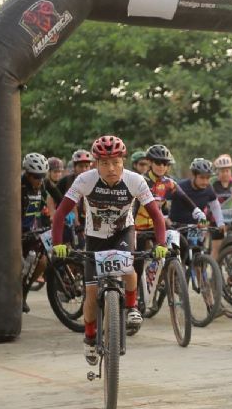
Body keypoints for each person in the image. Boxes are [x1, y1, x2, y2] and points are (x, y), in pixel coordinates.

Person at [50, 136, 169, 365]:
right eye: (104, 163)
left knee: (128, 268)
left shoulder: (136, 181)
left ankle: (132, 306)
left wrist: (161, 244)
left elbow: (156, 216)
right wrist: (58, 244)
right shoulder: (84, 180)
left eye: (115, 162)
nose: (111, 168)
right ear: (96, 163)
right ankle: (89, 337)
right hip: (94, 237)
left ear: (123, 161)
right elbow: (60, 214)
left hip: (123, 232)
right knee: (92, 294)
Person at [169, 158, 223, 259]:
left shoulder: (209, 189)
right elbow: (165, 202)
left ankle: (199, 272)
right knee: (177, 256)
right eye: (202, 178)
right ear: (193, 175)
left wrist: (220, 223)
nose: (205, 182)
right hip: (177, 226)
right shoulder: (180, 186)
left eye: (208, 178)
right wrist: (166, 217)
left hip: (196, 226)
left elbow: (215, 206)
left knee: (197, 253)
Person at [20, 153, 50, 313]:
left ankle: (23, 294)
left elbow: (44, 207)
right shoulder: (19, 187)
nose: (40, 181)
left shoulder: (42, 186)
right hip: (16, 232)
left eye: (42, 177)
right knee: (19, 264)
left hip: (31, 230)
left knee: (42, 261)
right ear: (28, 174)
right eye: (37, 177)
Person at [57, 149, 95, 247]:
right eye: (80, 166)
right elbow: (51, 198)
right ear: (74, 167)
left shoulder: (95, 182)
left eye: (86, 166)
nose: (84, 169)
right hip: (67, 223)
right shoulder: (65, 181)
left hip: (87, 223)